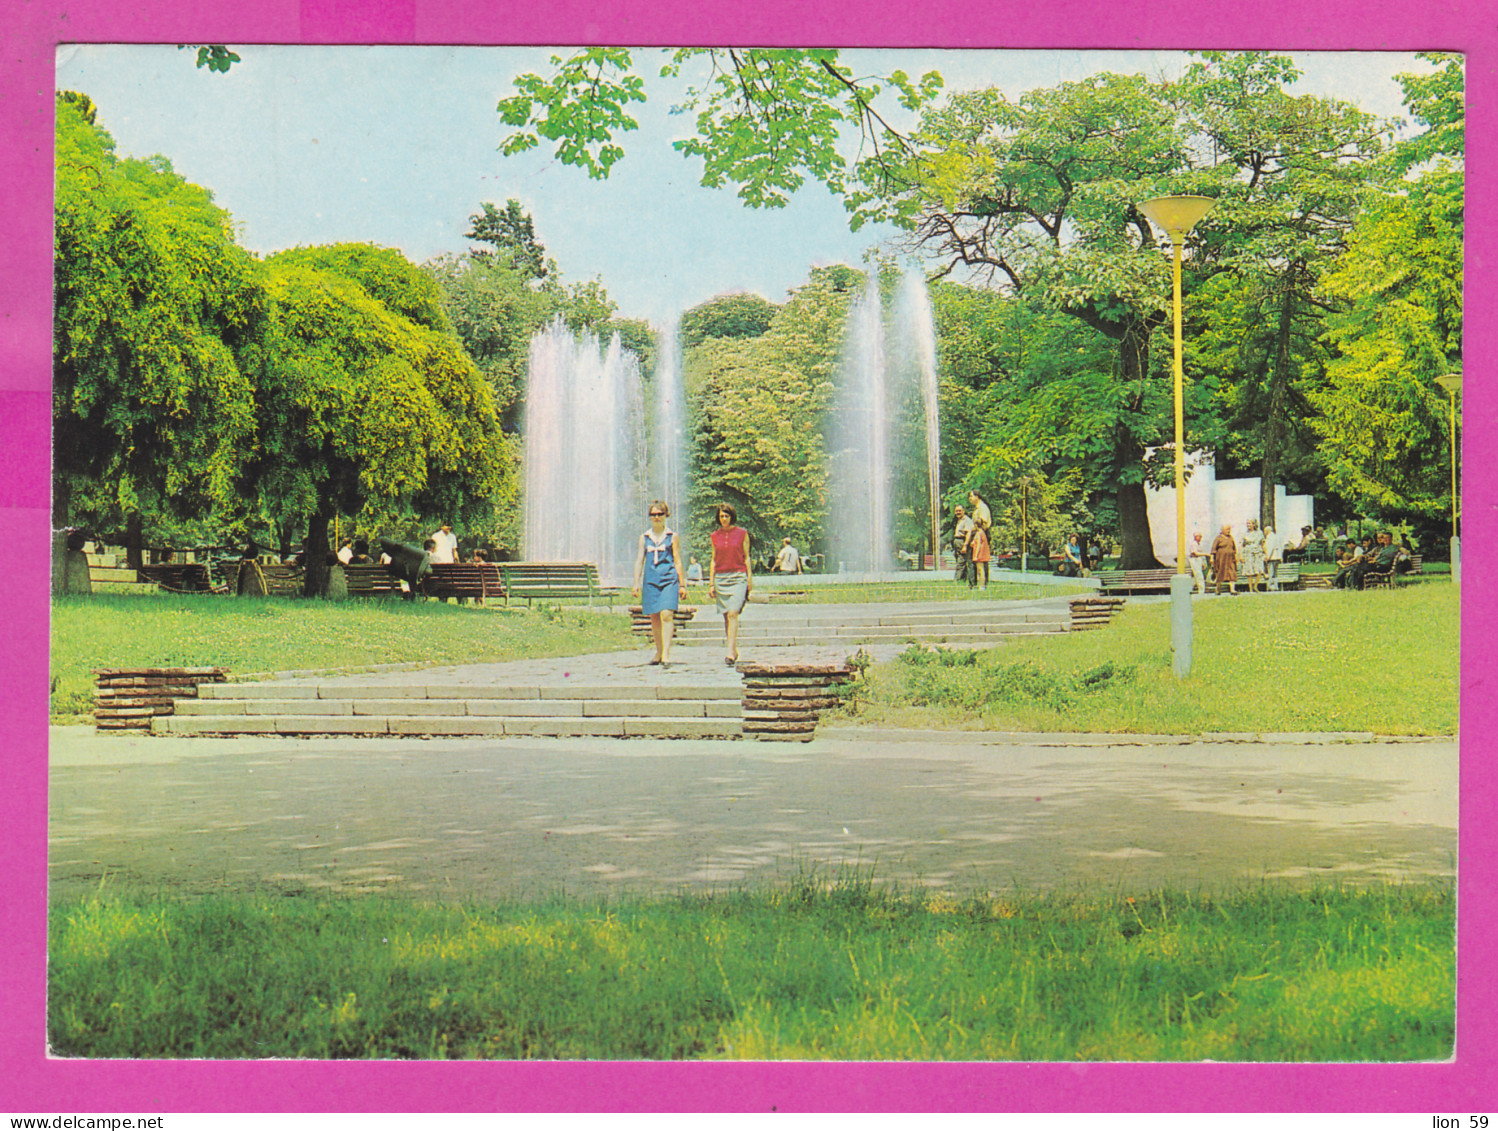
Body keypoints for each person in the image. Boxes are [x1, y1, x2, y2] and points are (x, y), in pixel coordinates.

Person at [632, 500, 687, 666]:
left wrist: (682, 584)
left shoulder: (672, 536)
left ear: (666, 515)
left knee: (666, 614)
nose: (657, 518)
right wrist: (636, 583)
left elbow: (677, 560)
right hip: (651, 580)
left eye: (660, 514)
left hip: (669, 579)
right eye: (653, 515)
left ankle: (666, 654)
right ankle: (659, 650)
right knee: (654, 616)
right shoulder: (645, 537)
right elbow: (639, 560)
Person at [708, 503, 752, 665]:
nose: (724, 519)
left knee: (734, 612)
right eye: (721, 516)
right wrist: (711, 583)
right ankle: (733, 648)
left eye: (726, 516)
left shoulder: (742, 534)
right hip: (721, 577)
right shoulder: (714, 536)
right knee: (727, 615)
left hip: (738, 576)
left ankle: (729, 652)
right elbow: (713, 559)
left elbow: (747, 557)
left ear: (731, 516)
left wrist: (749, 579)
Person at [1210, 524, 1239, 595]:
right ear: (1222, 530)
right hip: (1221, 559)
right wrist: (1211, 558)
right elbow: (1213, 549)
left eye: (1229, 529)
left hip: (1230, 559)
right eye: (1227, 529)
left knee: (1232, 573)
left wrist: (1235, 557)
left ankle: (1232, 590)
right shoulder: (1218, 538)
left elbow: (1234, 548)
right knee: (1220, 573)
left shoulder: (1231, 538)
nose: (1229, 531)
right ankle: (1218, 589)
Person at [1241, 518, 1265, 593]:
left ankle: (1255, 586)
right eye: (1247, 523)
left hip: (1257, 552)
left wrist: (1266, 553)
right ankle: (1250, 588)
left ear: (1254, 524)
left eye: (1249, 523)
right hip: (1248, 553)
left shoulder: (1259, 533)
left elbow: (1263, 543)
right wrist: (1240, 555)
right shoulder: (1245, 533)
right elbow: (1242, 545)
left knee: (1259, 570)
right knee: (1250, 571)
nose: (1248, 525)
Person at [952, 504, 974, 585]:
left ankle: (958, 581)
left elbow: (968, 533)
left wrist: (965, 545)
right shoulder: (959, 520)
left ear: (963, 511)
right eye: (956, 511)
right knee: (960, 561)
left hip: (963, 542)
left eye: (959, 511)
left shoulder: (967, 520)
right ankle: (962, 580)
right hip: (958, 542)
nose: (958, 512)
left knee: (963, 562)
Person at [968, 520, 991, 589]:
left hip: (979, 554)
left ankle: (982, 586)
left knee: (980, 570)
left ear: (976, 525)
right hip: (983, 553)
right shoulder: (982, 532)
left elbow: (978, 545)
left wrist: (976, 555)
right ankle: (982, 585)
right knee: (981, 570)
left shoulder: (978, 533)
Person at [1262, 525, 1282, 591]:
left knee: (1271, 572)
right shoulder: (1275, 536)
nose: (1264, 532)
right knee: (1275, 573)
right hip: (1277, 556)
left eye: (1265, 531)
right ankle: (1276, 586)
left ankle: (1270, 586)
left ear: (1267, 531)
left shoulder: (1270, 537)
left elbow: (1270, 548)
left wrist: (1267, 556)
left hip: (1272, 557)